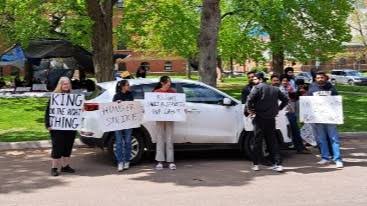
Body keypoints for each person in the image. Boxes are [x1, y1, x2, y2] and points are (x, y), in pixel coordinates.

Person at [245, 73, 289, 172]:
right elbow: (286, 100)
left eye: (255, 79)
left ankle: (256, 164)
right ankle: (277, 164)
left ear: (260, 79)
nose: (253, 80)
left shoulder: (256, 88)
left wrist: (251, 110)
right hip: (271, 118)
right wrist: (278, 109)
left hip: (259, 118)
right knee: (272, 141)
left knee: (257, 141)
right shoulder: (275, 89)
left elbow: (249, 100)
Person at [307, 72, 343, 168]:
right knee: (321, 139)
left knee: (334, 139)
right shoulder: (312, 88)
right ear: (315, 79)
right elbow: (307, 103)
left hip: (330, 118)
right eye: (318, 78)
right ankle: (325, 158)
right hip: (318, 118)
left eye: (321, 77)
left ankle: (337, 159)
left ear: (325, 78)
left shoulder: (331, 88)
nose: (320, 79)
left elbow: (337, 102)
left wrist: (339, 115)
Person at [45, 77, 77, 176]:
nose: (66, 85)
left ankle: (65, 166)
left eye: (68, 84)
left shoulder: (74, 97)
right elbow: (48, 112)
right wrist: (48, 124)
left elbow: (77, 111)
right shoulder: (55, 97)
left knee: (68, 146)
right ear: (60, 85)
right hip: (57, 127)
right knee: (57, 147)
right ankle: (54, 168)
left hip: (70, 127)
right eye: (64, 84)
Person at [279, 75, 310, 154]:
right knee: (294, 130)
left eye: (286, 81)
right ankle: (299, 148)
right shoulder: (280, 89)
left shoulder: (288, 88)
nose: (285, 82)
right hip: (285, 113)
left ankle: (299, 147)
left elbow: (294, 98)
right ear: (281, 82)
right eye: (283, 81)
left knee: (294, 130)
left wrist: (294, 92)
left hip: (289, 111)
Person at [153, 76, 177, 170]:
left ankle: (171, 161)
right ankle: (160, 161)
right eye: (167, 82)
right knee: (159, 138)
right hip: (159, 118)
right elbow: (152, 105)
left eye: (170, 82)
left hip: (170, 118)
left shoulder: (173, 92)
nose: (169, 84)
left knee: (170, 138)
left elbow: (177, 104)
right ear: (162, 83)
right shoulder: (156, 92)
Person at [113, 80, 134, 172]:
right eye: (127, 85)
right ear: (122, 86)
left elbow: (133, 107)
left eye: (128, 85)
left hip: (128, 122)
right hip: (118, 122)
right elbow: (112, 108)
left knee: (128, 141)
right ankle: (120, 162)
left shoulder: (130, 95)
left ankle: (127, 160)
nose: (129, 86)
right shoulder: (116, 96)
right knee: (119, 142)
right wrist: (117, 103)